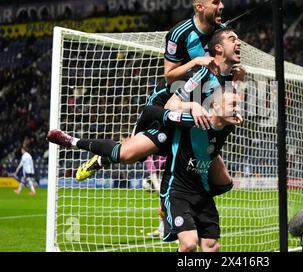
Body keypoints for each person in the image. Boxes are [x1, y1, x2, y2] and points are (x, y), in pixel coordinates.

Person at [47, 28, 244, 198]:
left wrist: (237, 85)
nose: (239, 42)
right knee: (127, 154)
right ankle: (72, 141)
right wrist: (192, 106)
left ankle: (185, 199)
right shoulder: (201, 70)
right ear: (218, 48)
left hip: (193, 130)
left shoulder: (230, 79)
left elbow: (225, 106)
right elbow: (169, 106)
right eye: (233, 39)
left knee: (224, 184)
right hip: (168, 119)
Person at [154, 88, 243, 251]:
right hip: (177, 191)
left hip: (202, 192)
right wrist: (191, 105)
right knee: (189, 243)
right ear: (215, 105)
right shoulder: (192, 121)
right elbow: (157, 110)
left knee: (212, 246)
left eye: (238, 105)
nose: (237, 109)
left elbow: (211, 151)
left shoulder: (228, 126)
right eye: (233, 105)